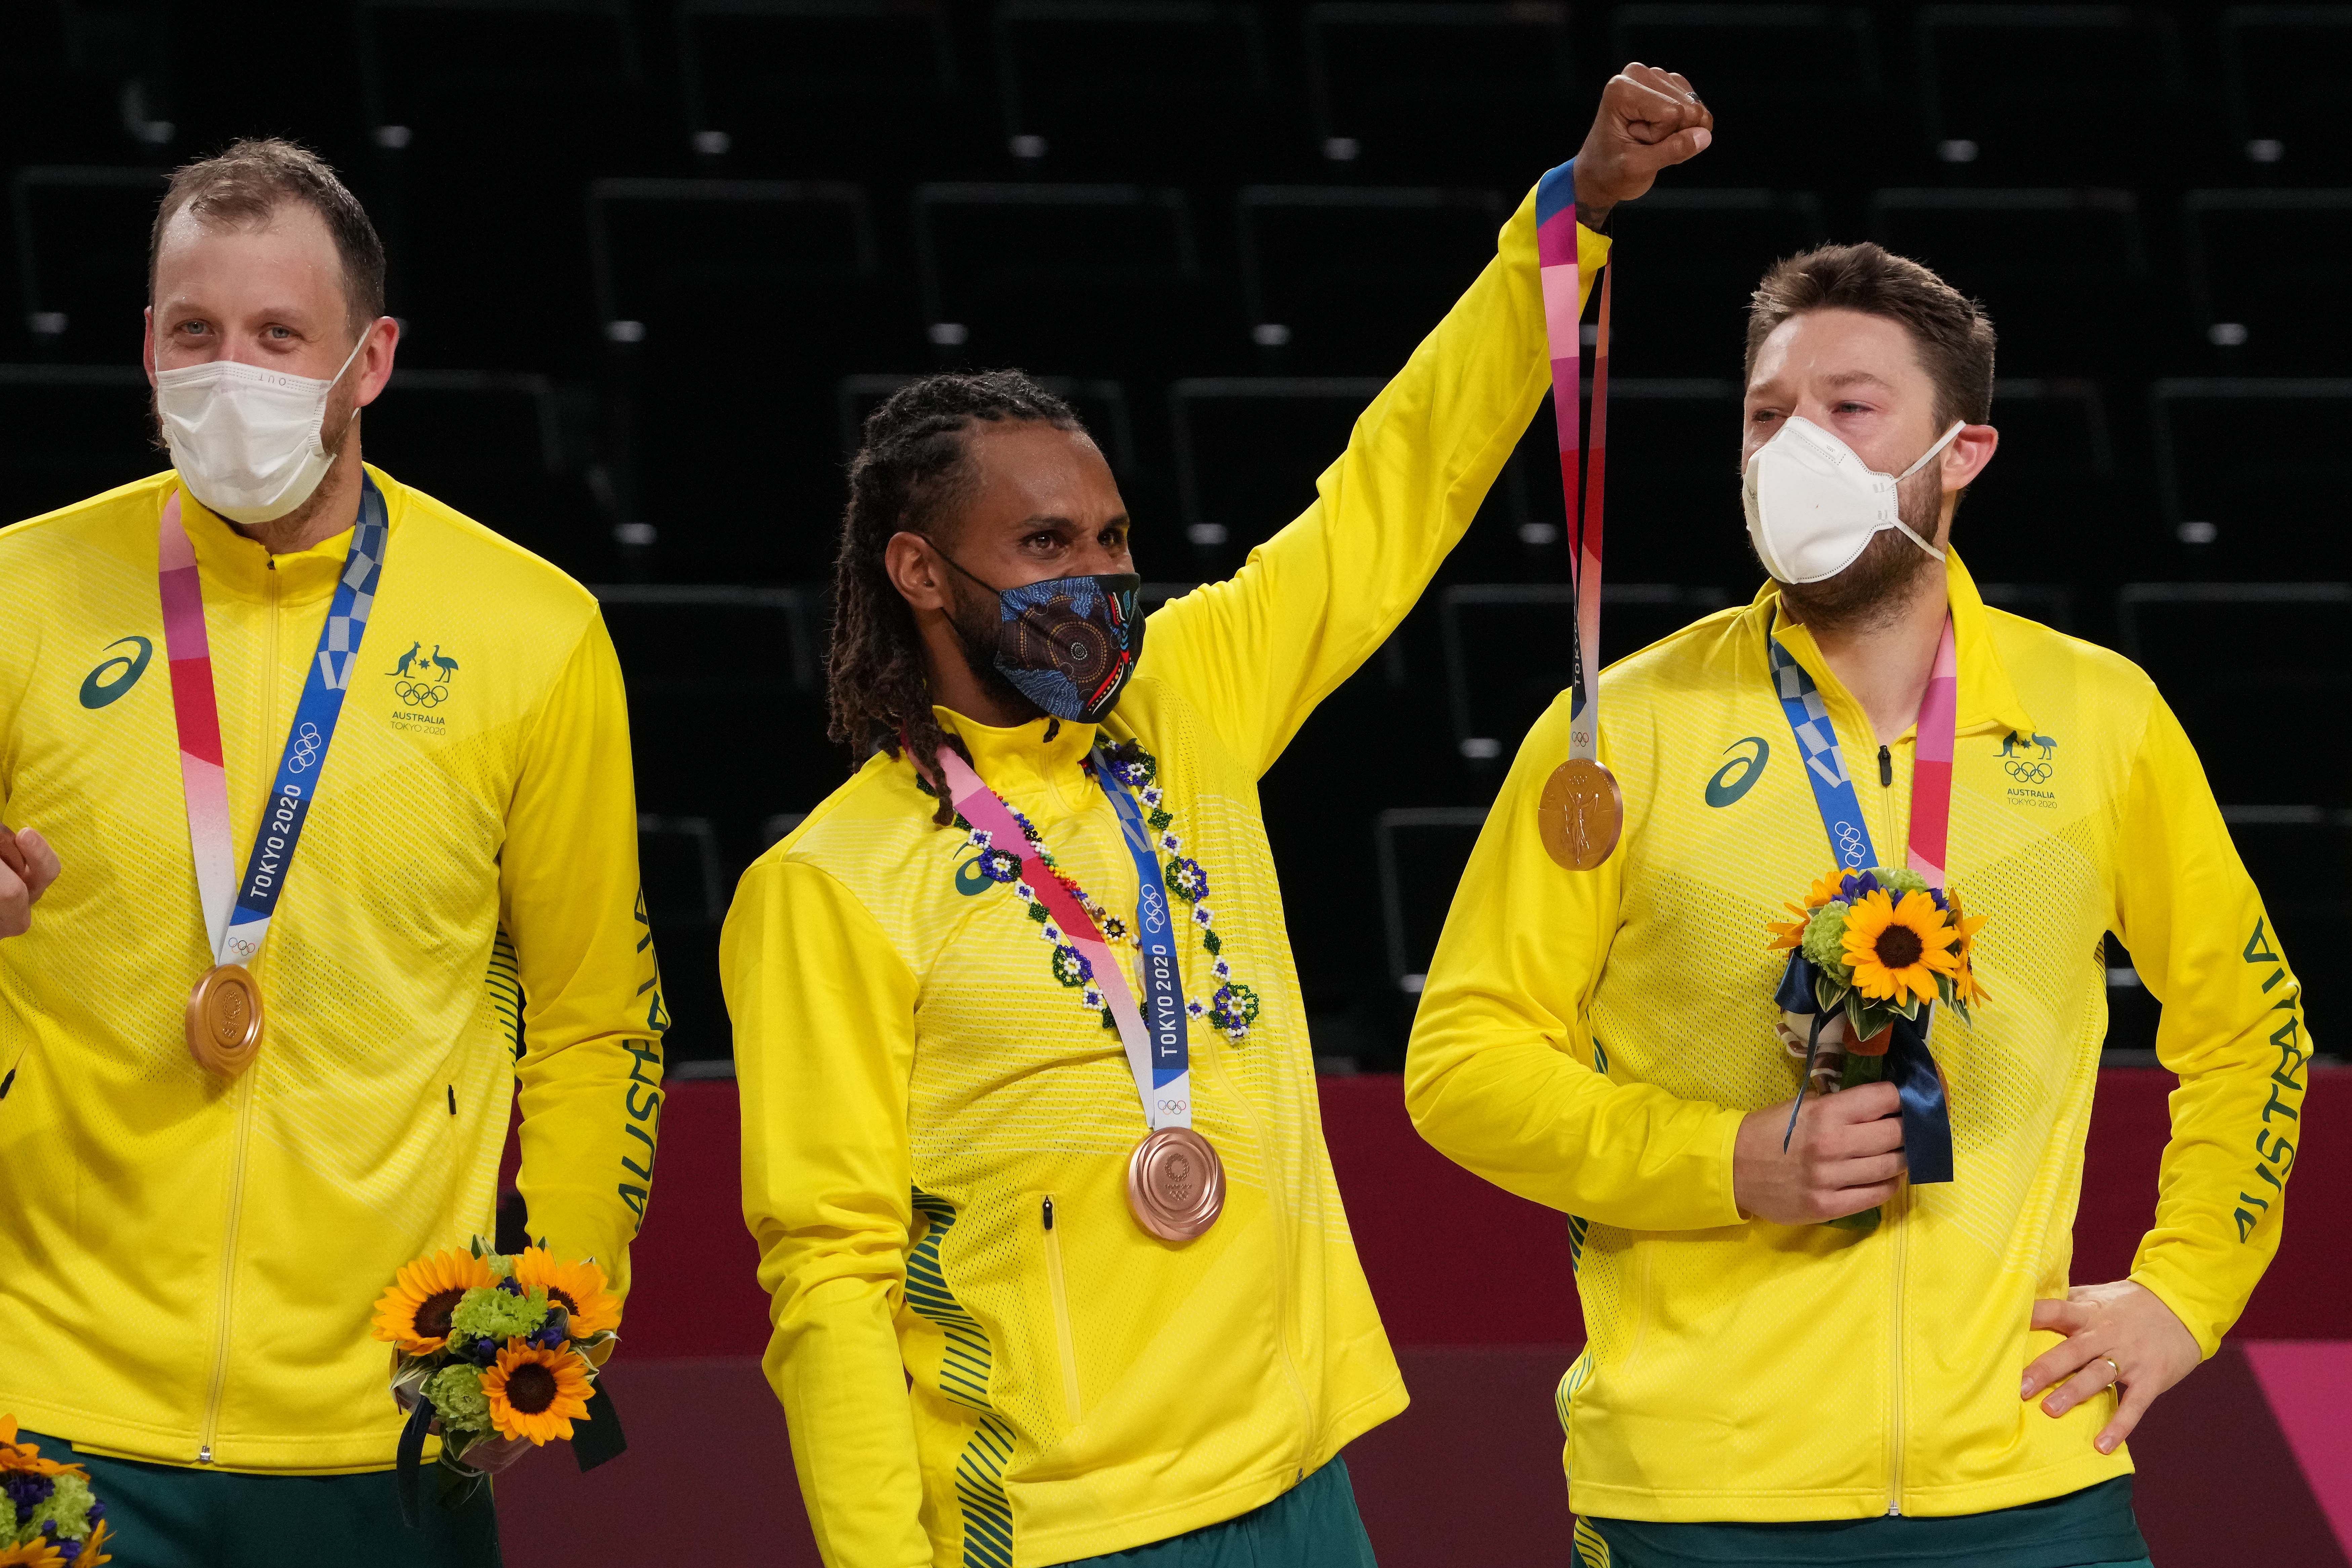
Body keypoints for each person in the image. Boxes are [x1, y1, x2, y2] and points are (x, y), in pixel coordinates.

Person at [720, 67, 1713, 1568]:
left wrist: (1564, 224)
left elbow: (1393, 493)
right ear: (921, 575)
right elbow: (829, 1275)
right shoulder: (830, 886)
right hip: (1060, 1524)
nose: (1098, 580)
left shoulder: (1180, 701)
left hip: (1298, 1475)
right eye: (1044, 544)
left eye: (1112, 540)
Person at [1404, 241, 2310, 1567]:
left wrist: (2183, 1295)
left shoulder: (2099, 717)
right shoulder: (1619, 731)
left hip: (2025, 1486)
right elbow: (1463, 1064)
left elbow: (2251, 1033)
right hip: (1700, 1502)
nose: (1791, 448)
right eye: (1767, 413)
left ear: (1962, 454)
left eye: (1849, 407)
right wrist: (1724, 1164)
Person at [0, 139, 667, 1565]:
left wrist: (557, 1290)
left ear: (368, 360)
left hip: (385, 1429)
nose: (228, 369)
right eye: (196, 331)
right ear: (145, 345)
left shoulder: (531, 635)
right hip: (40, 1408)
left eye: (276, 335)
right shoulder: (16, 597)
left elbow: (597, 1017)